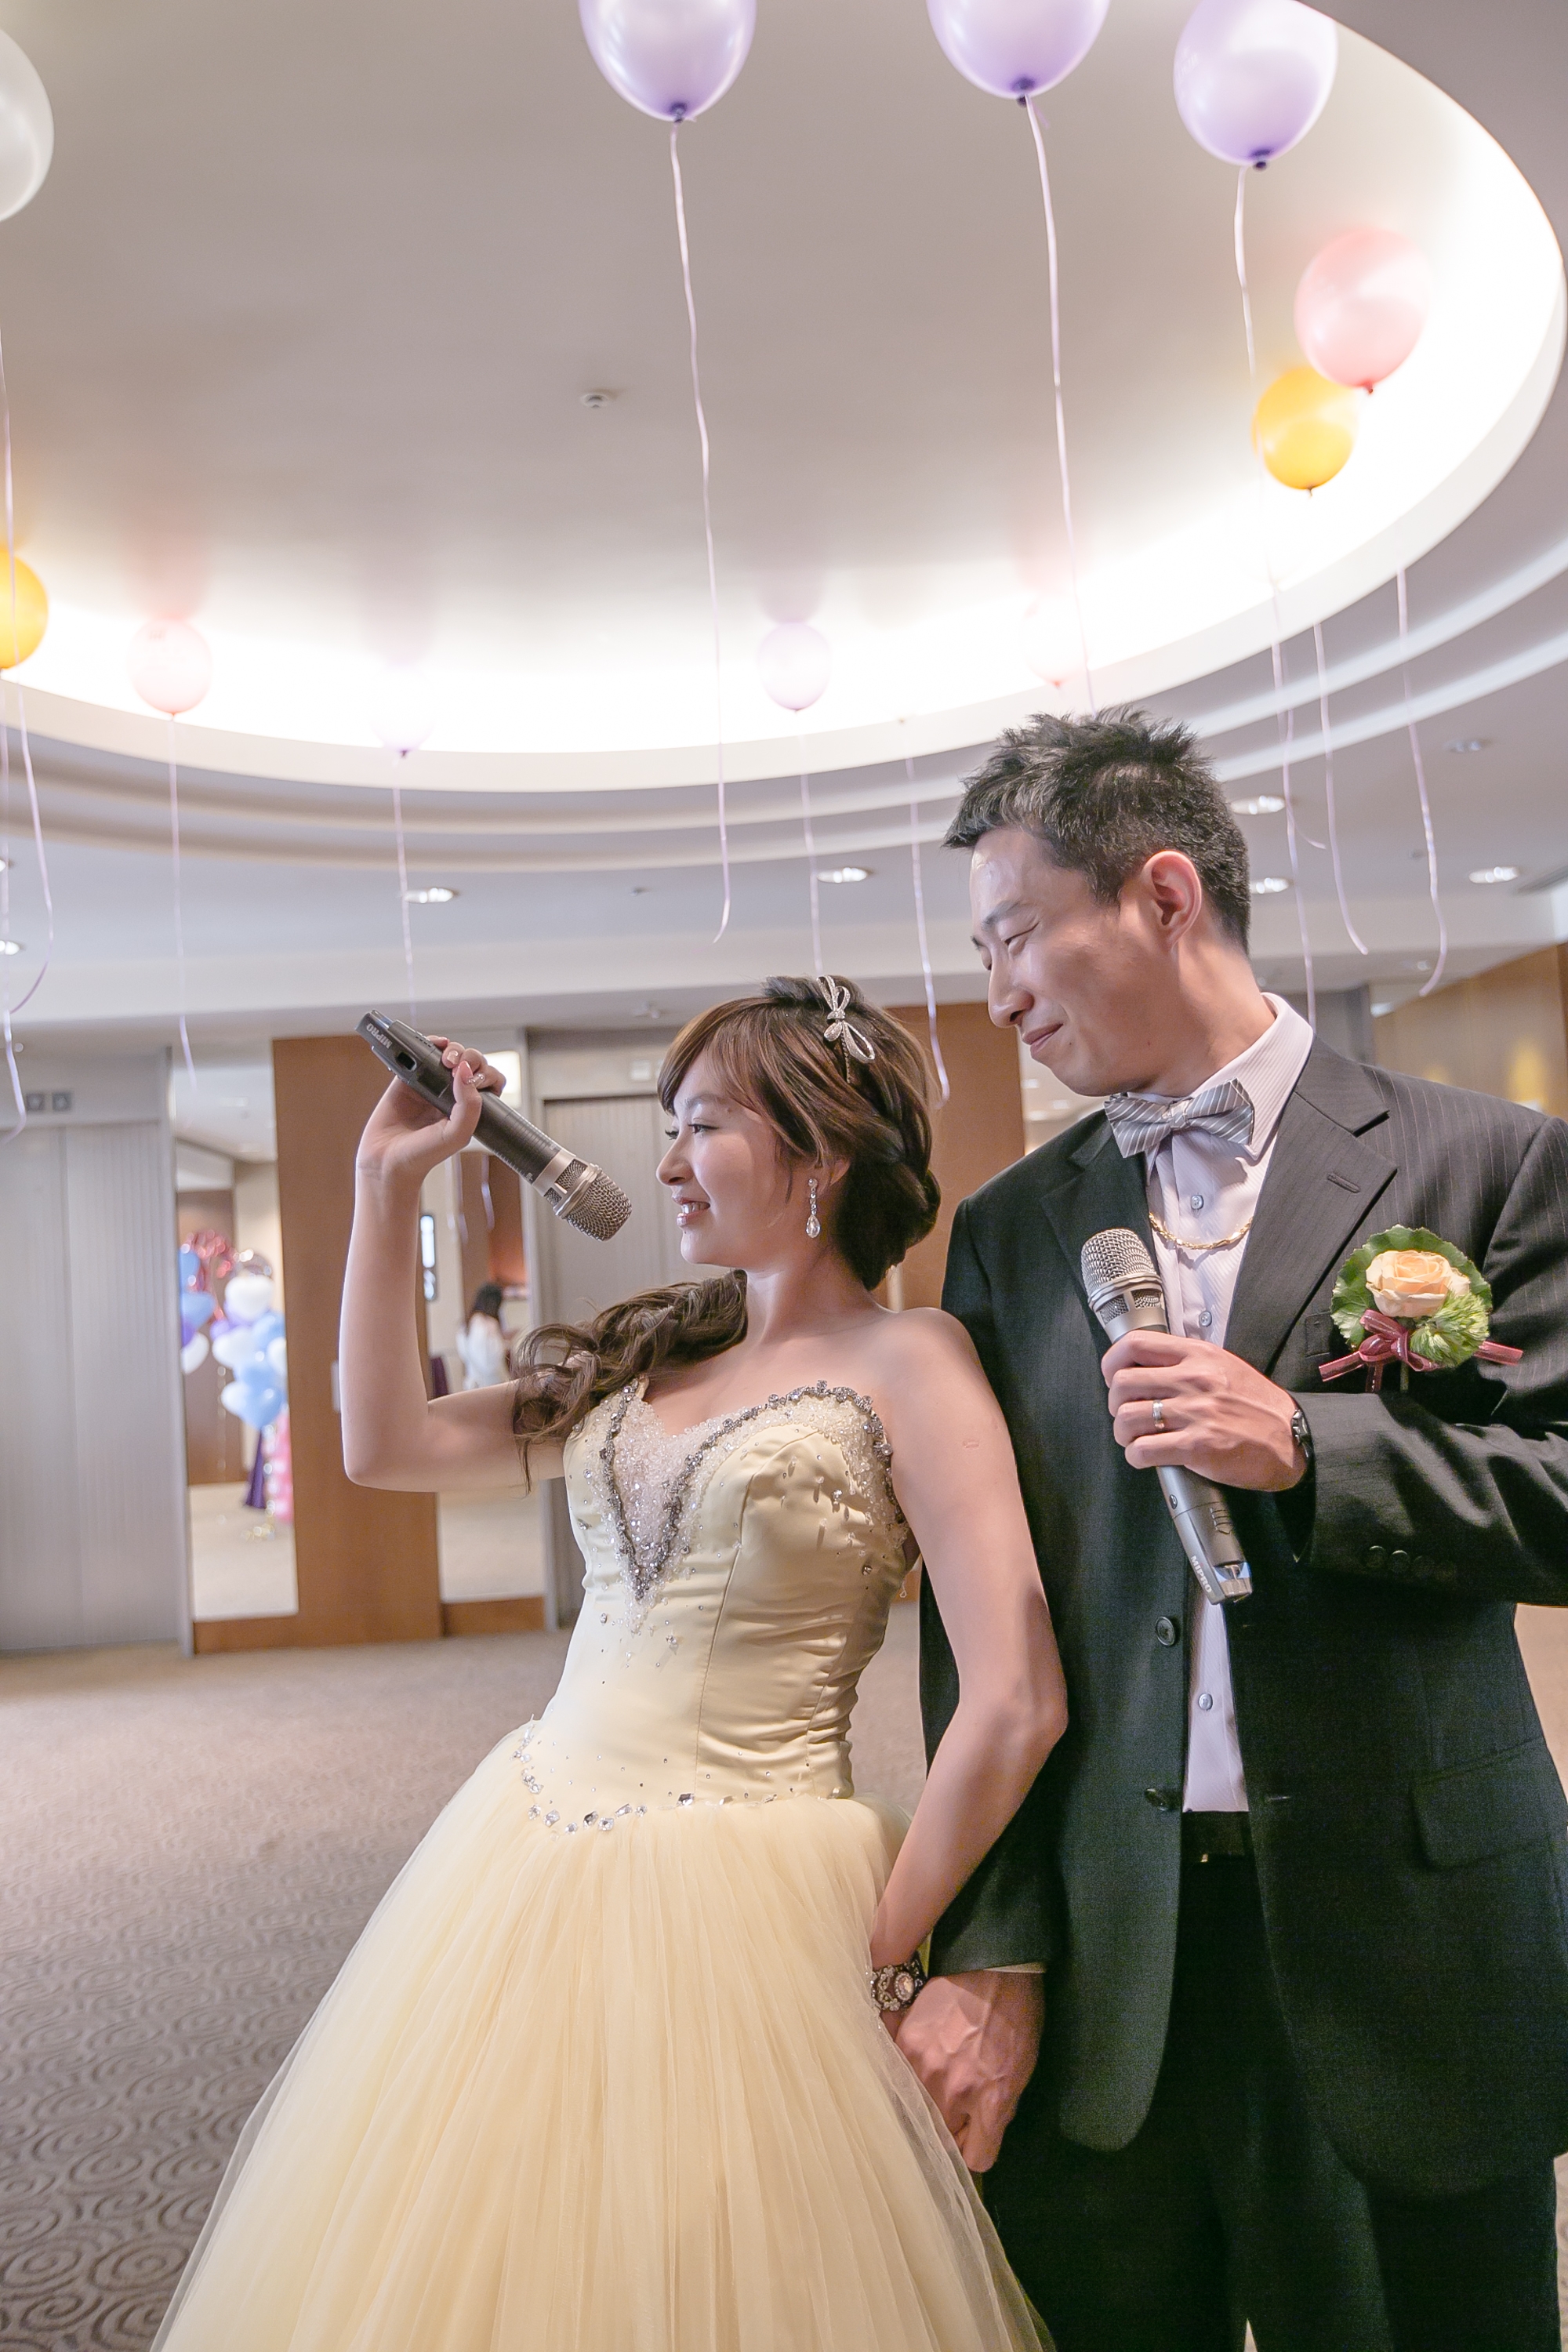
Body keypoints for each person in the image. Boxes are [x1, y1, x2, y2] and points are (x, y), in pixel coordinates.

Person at [150, 975, 1066, 2352]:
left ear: (820, 1152)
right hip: (527, 1851)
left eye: (704, 1125)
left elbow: (1016, 1696)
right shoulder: (651, 1357)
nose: (668, 1162)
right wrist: (386, 1187)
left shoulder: (911, 1360)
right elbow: (385, 1445)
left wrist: (880, 1945)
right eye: (668, 1125)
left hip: (764, 1887)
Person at [900, 708, 1568, 2352]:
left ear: (1162, 894)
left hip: (1409, 1930)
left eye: (1014, 935)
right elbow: (982, 1626)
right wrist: (996, 1942)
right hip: (1116, 1945)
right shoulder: (1011, 1229)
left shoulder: (1487, 1163)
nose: (999, 994)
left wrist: (1312, 1449)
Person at [455, 1279, 511, 1388]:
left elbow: (465, 1354)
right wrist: (504, 1344)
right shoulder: (488, 1325)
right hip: (490, 1384)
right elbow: (489, 1363)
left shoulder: (466, 1324)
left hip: (473, 1383)